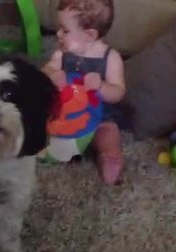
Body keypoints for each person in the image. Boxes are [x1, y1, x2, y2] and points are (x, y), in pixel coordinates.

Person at [42, 0, 126, 185]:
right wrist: (52, 74)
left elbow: (118, 92)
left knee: (108, 133)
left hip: (100, 116)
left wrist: (101, 87)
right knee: (42, 118)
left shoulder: (111, 58)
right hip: (65, 112)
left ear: (89, 35)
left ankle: (109, 157)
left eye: (65, 30)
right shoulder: (61, 54)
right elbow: (45, 71)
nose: (58, 34)